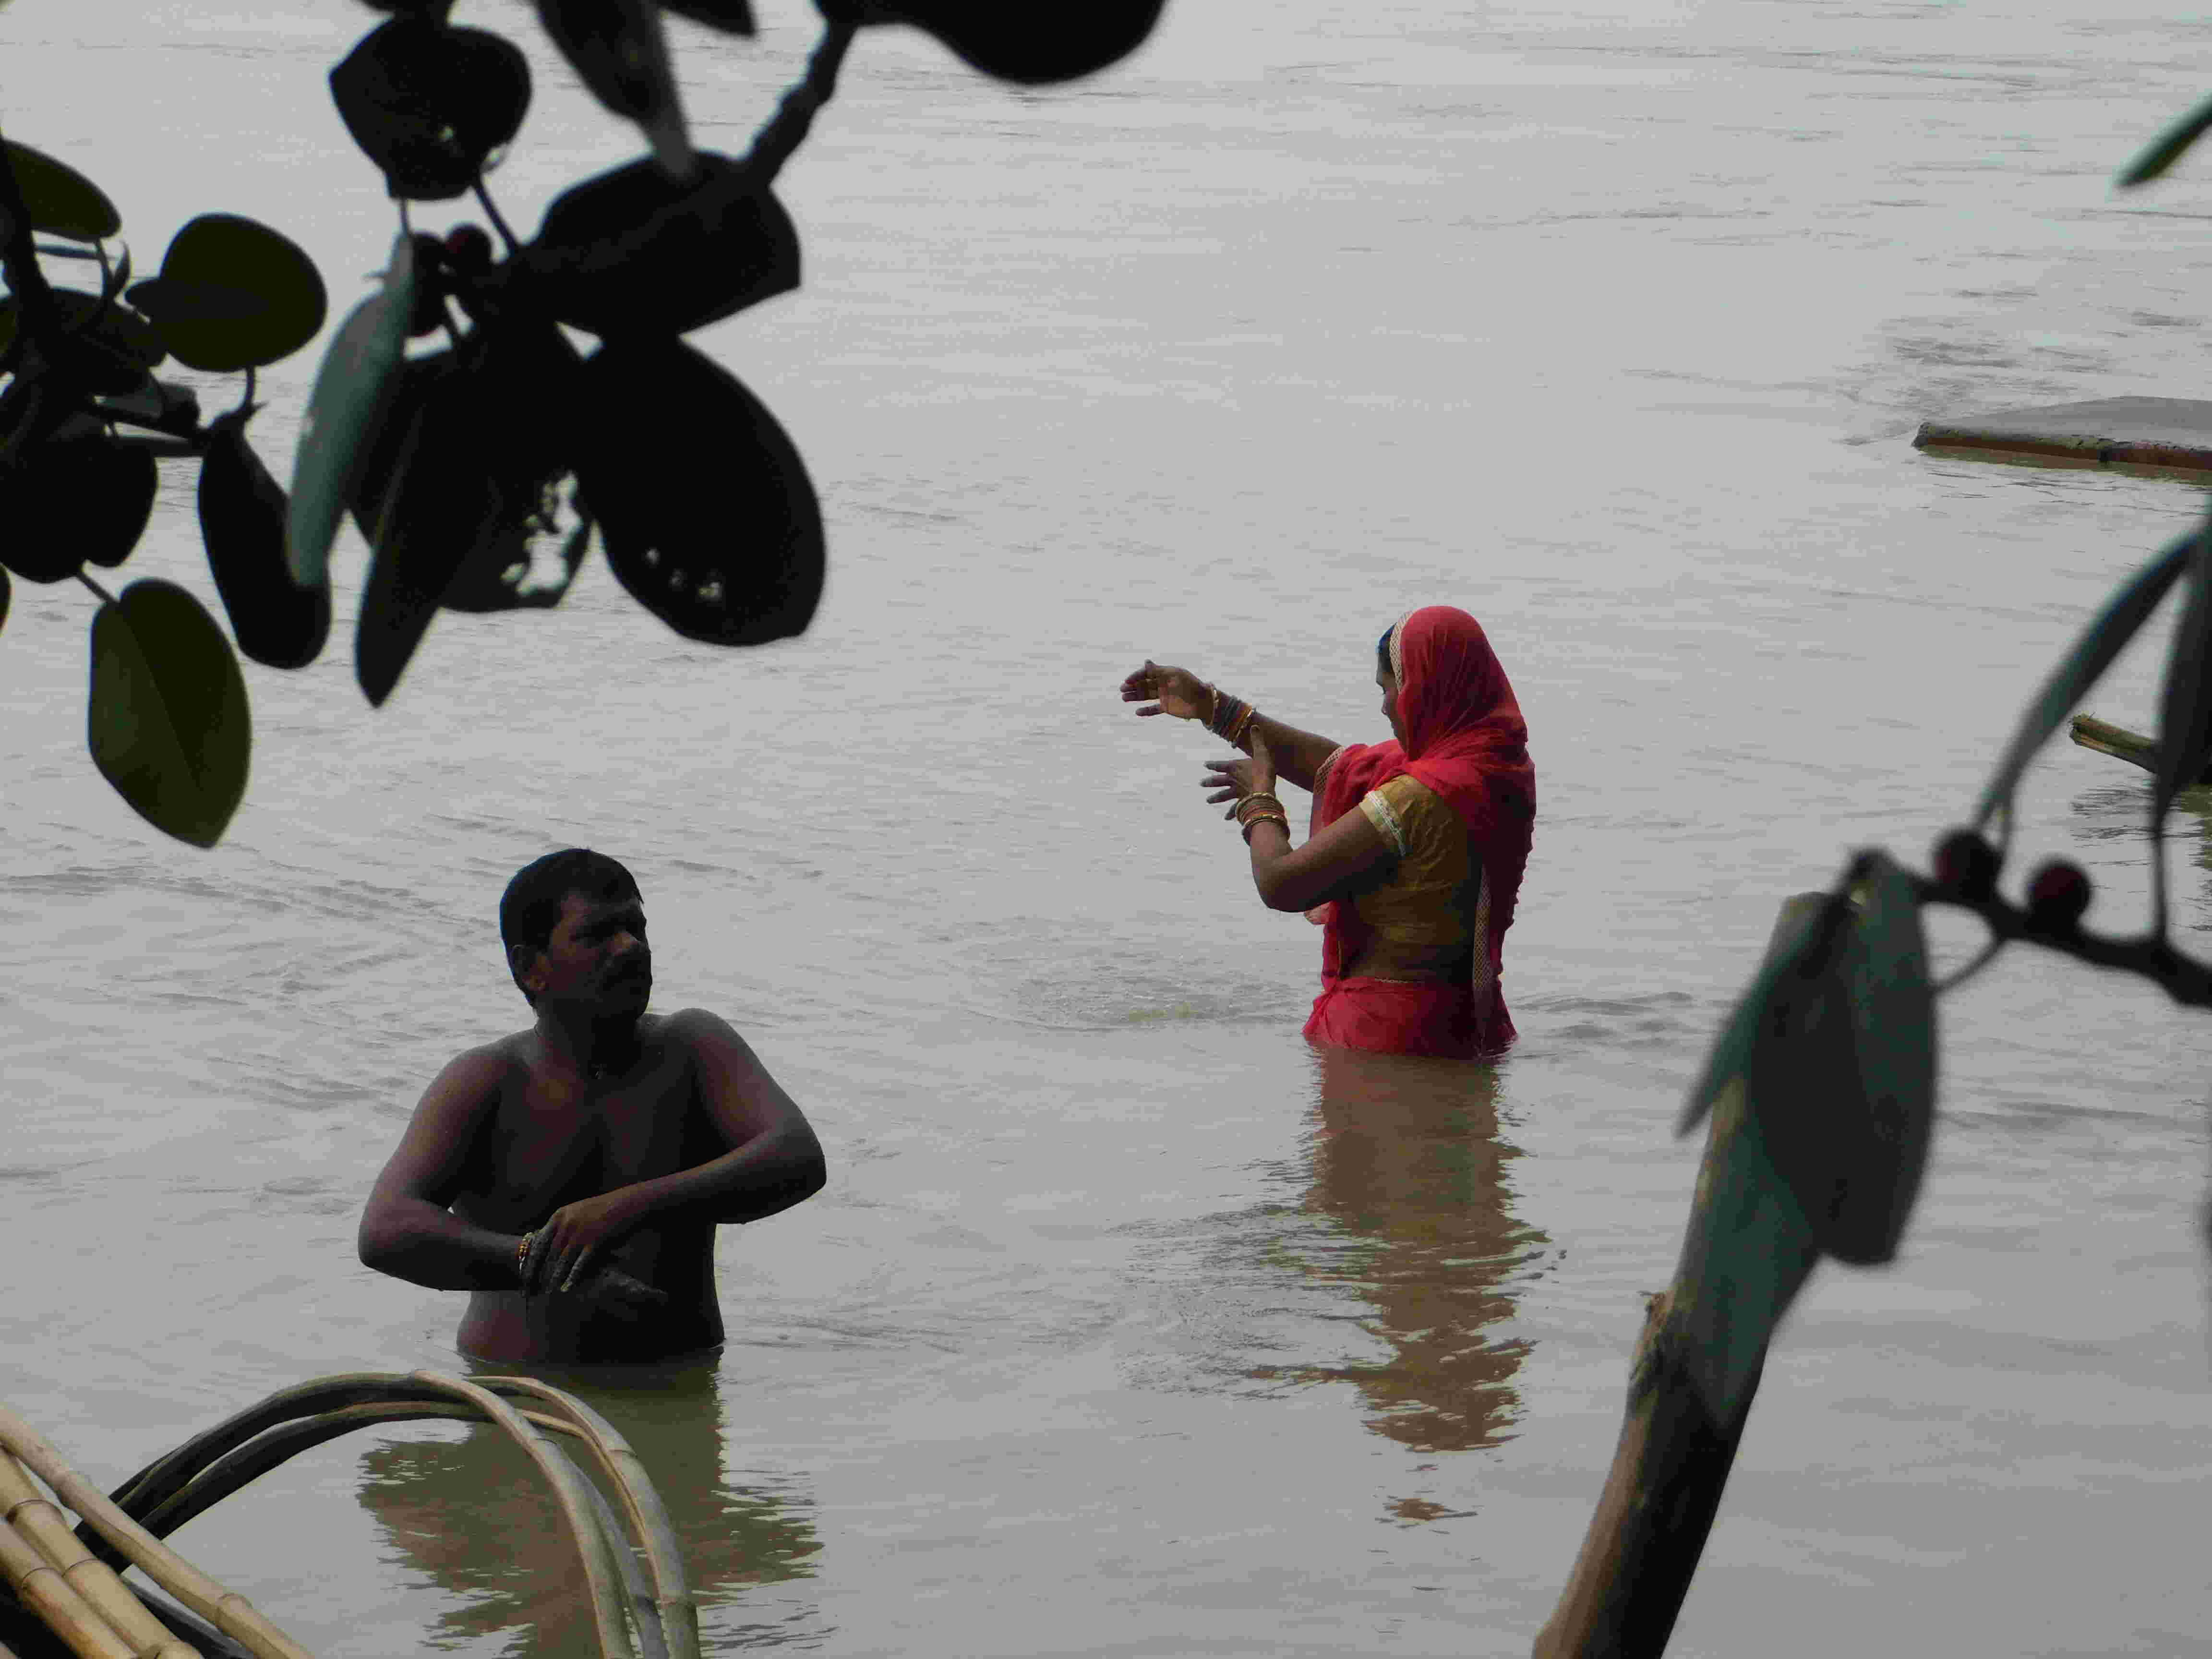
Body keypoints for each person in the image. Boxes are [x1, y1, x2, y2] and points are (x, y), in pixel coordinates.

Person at [358, 849, 827, 1363]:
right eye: (598, 934)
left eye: (636, 928)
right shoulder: (487, 1079)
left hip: (682, 1382)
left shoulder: (692, 1049)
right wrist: (534, 1259)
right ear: (531, 968)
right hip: (517, 1390)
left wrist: (625, 1209)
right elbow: (386, 1229)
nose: (630, 947)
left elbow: (797, 1156)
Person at [1119, 605, 1534, 1058]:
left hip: (1382, 1040)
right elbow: (1341, 769)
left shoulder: (1418, 798)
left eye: (1389, 688)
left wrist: (1259, 802)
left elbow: (1282, 883)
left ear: (1425, 687)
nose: (1385, 706)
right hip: (1472, 1028)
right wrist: (1211, 706)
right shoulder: (1497, 769)